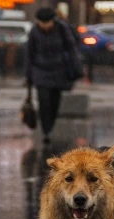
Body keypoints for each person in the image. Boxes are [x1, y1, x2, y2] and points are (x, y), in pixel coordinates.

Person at [25, 7, 83, 144]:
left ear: (53, 21)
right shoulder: (34, 31)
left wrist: (77, 68)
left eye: (47, 22)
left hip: (59, 71)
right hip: (41, 71)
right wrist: (28, 75)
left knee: (54, 102)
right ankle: (46, 131)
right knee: (44, 101)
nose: (44, 25)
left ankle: (50, 125)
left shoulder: (62, 29)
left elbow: (72, 48)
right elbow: (29, 54)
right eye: (42, 22)